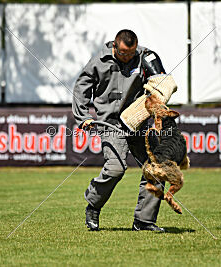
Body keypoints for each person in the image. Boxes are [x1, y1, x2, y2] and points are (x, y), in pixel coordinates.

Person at [72, 29, 167, 232]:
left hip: (138, 123)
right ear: (114, 46)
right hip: (111, 124)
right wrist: (83, 117)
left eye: (131, 53)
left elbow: (162, 84)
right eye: (124, 53)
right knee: (115, 168)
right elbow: (81, 87)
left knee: (157, 167)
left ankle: (144, 221)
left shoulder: (145, 57)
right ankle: (93, 204)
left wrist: (160, 87)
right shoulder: (99, 61)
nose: (128, 57)